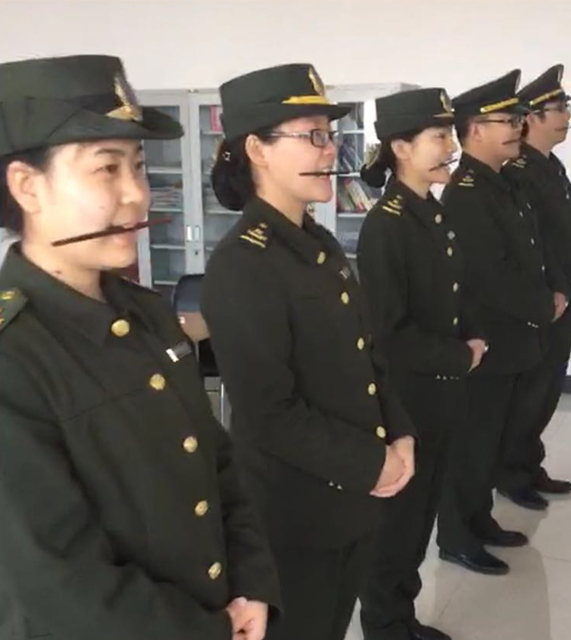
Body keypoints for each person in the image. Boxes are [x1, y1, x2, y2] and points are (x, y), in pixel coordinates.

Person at [0, 54, 281, 640]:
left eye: (139, 167)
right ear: (27, 186)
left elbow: (216, 462)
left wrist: (252, 583)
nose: (138, 195)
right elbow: (59, 581)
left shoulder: (147, 314)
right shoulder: (15, 356)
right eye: (107, 169)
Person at [200, 63, 417, 640]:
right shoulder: (243, 265)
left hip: (352, 500)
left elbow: (368, 356)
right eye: (313, 135)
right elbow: (270, 413)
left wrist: (400, 431)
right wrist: (371, 463)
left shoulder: (317, 244)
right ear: (257, 149)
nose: (329, 151)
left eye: (330, 134)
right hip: (297, 514)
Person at [357, 88, 487, 640]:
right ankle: (384, 625)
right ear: (401, 147)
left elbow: (450, 297)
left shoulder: (430, 211)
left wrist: (469, 341)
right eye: (438, 136)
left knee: (420, 518)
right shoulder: (387, 224)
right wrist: (460, 355)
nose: (450, 147)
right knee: (399, 525)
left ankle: (401, 617)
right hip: (408, 399)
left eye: (450, 135)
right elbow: (388, 333)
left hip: (440, 393)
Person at [437, 70, 556, 576]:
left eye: (516, 119)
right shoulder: (466, 191)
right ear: (474, 130)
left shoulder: (503, 181)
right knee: (472, 443)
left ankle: (479, 519)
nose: (516, 128)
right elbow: (490, 274)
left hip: (512, 339)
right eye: (505, 121)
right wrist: (541, 306)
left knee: (492, 440)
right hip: (486, 341)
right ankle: (456, 536)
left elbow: (525, 255)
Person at [497, 64, 571, 507]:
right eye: (558, 108)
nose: (567, 115)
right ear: (532, 118)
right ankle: (511, 473)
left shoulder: (550, 166)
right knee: (530, 392)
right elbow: (529, 248)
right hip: (544, 301)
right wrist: (548, 296)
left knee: (546, 391)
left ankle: (528, 464)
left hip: (563, 295)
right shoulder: (520, 171)